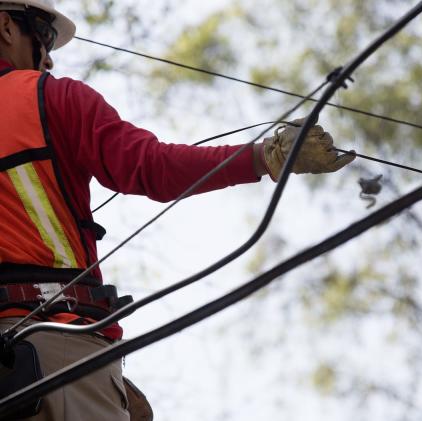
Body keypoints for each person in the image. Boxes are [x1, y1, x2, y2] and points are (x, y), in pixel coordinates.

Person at [0, 1, 355, 419]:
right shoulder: (45, 96)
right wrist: (265, 157)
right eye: (42, 36)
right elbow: (152, 168)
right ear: (5, 25)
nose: (49, 56)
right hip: (49, 343)